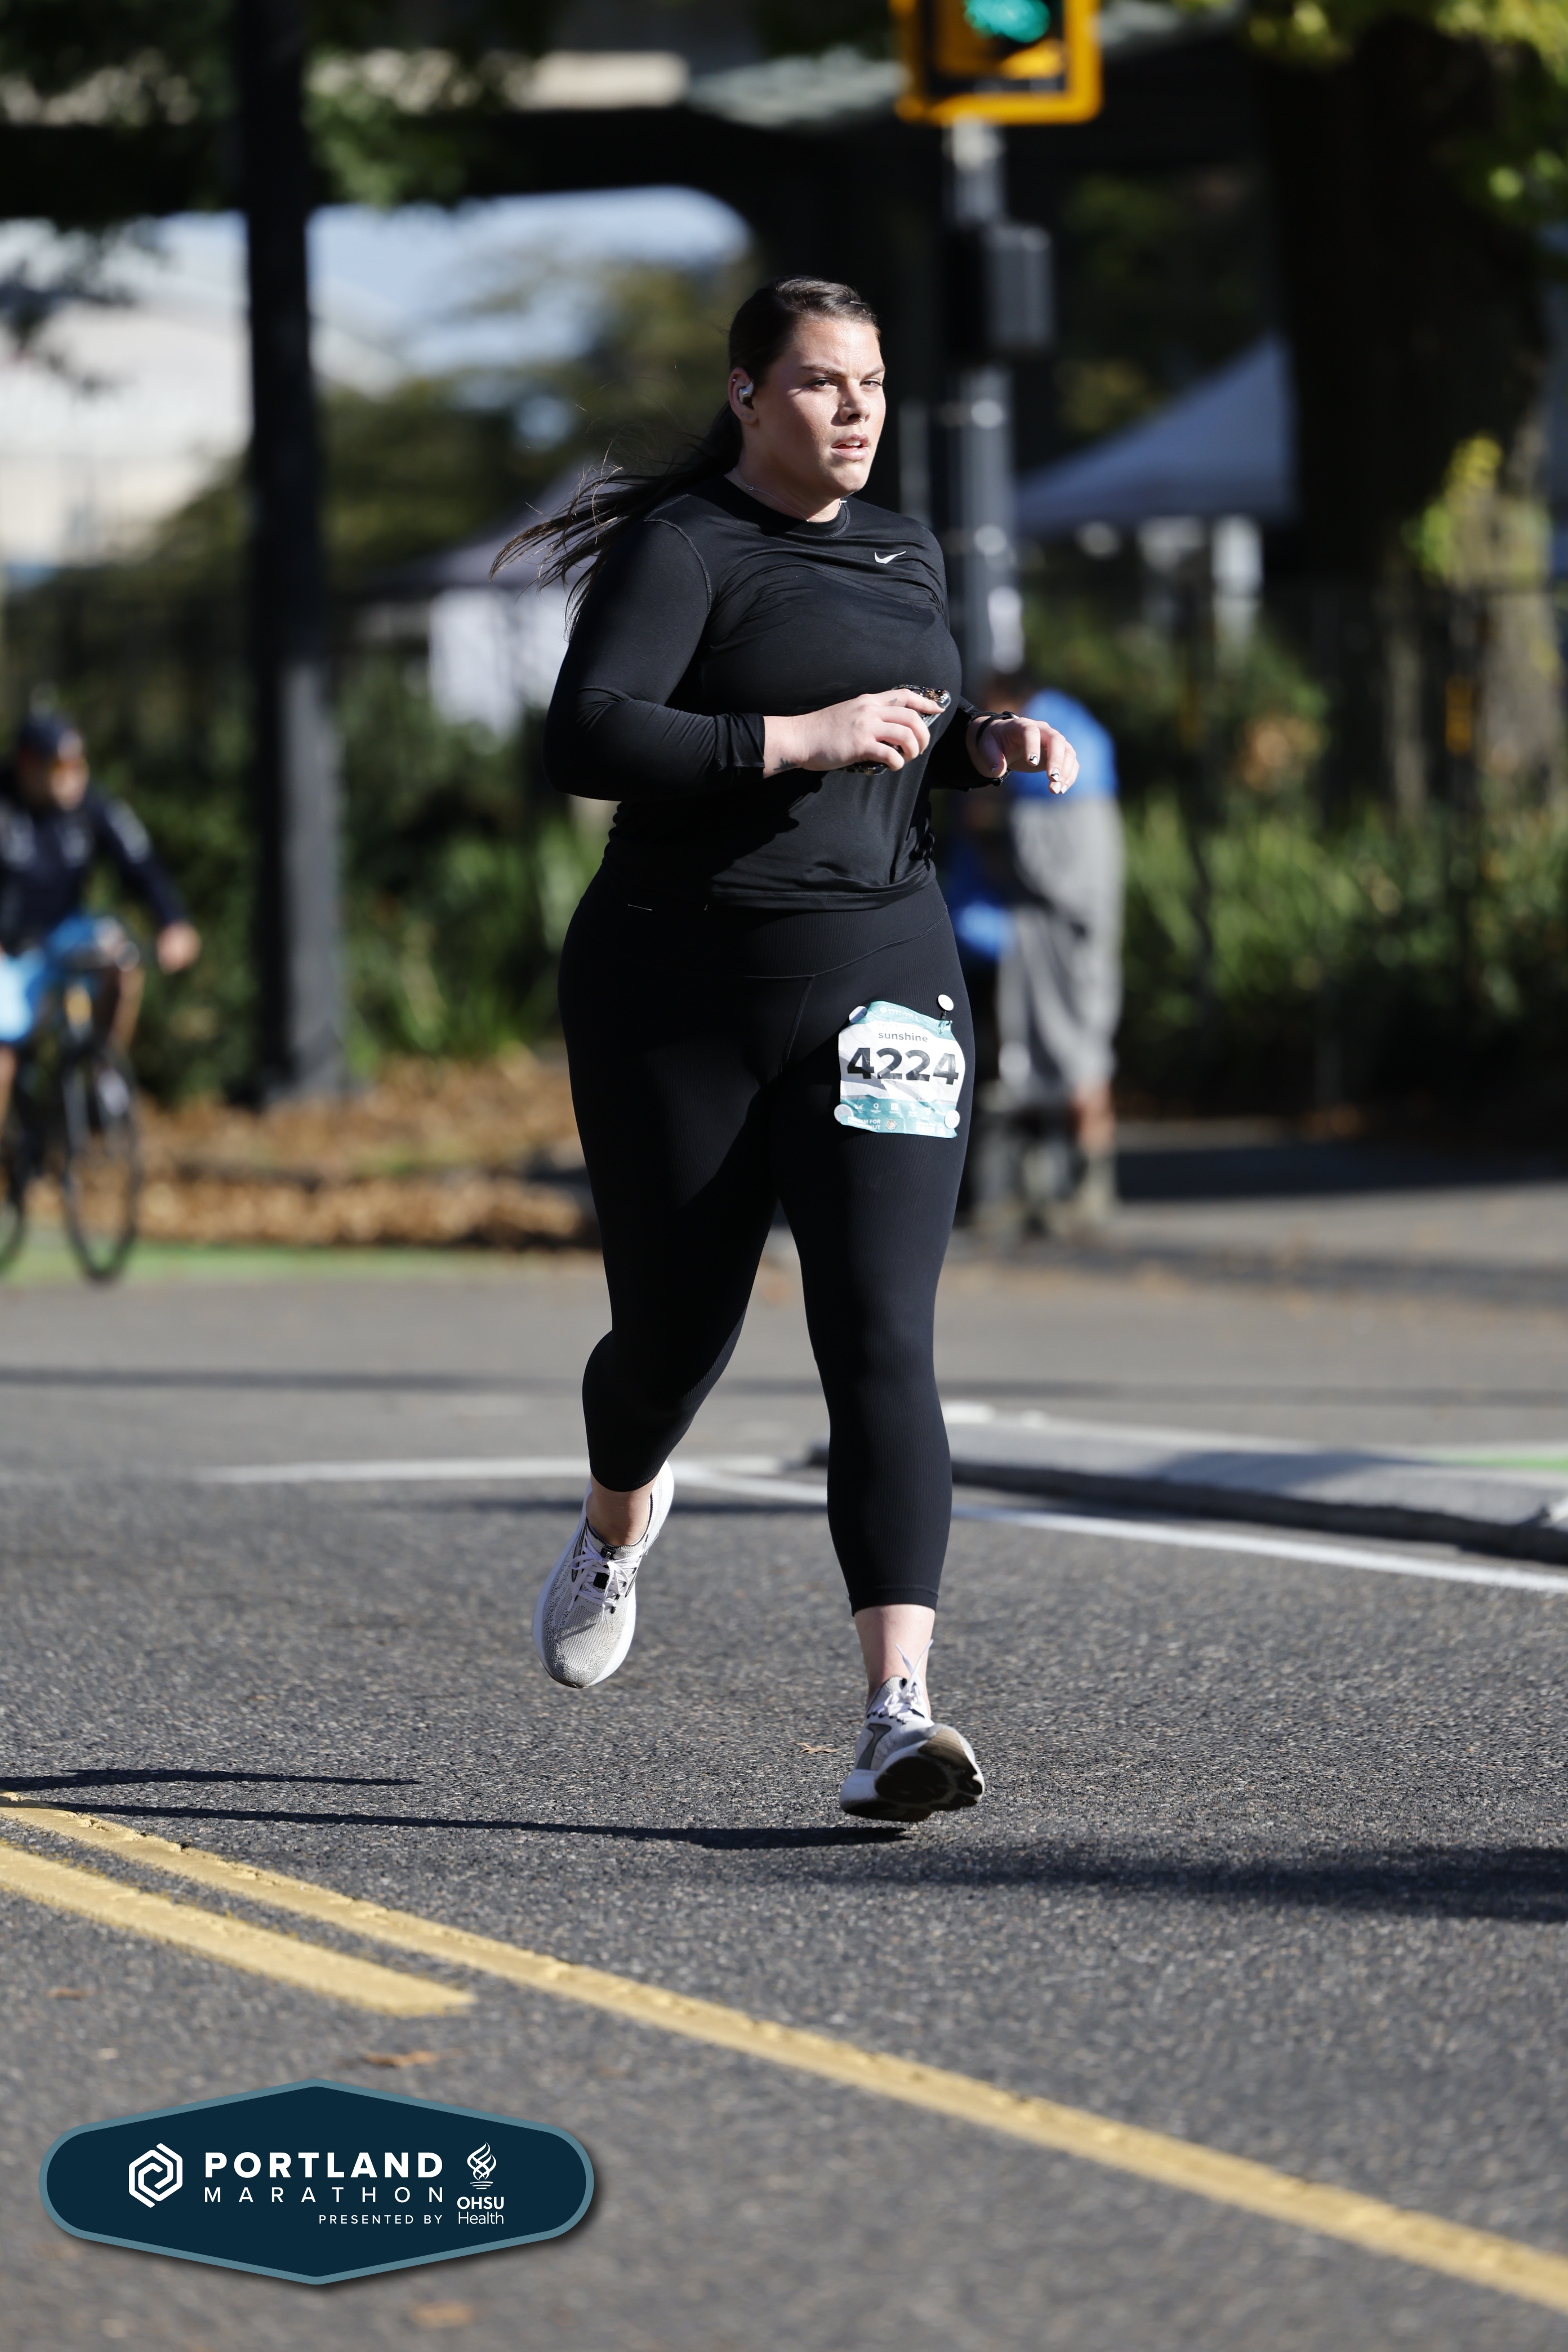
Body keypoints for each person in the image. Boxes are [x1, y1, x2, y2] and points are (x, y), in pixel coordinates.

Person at [502, 277, 1078, 1824]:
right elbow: (587, 734)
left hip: (884, 976)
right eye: (822, 382)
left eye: (872, 383)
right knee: (667, 1342)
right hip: (675, 984)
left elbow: (910, 738)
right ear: (748, 394)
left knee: (879, 1332)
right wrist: (790, 738)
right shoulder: (683, 547)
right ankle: (617, 1517)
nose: (856, 410)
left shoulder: (907, 548)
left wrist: (982, 747)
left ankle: (898, 1713)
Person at [966, 682, 1122, 1236]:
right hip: (1028, 953)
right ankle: (1037, 1191)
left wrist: (996, 826)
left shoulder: (1072, 786)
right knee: (1026, 1070)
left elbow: (1052, 867)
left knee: (1081, 1068)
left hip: (1071, 956)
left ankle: (1089, 1192)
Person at [0, 714, 200, 1133]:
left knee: (120, 954)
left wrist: (173, 923)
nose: (74, 777)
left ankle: (101, 1071)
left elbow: (141, 865)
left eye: (80, 764)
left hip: (63, 932)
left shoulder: (91, 806)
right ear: (28, 766)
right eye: (61, 766)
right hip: (10, 949)